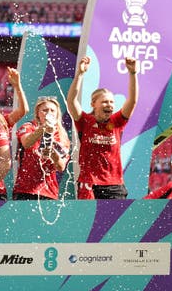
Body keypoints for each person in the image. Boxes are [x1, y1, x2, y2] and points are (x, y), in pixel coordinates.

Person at [66, 56, 138, 199]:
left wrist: (133, 73)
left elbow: (133, 100)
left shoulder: (117, 121)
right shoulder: (84, 121)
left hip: (114, 185)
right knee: (88, 221)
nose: (109, 105)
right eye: (105, 102)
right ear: (93, 104)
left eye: (112, 102)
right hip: (89, 184)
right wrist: (79, 75)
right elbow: (71, 101)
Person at [13, 96, 70, 200]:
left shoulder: (62, 136)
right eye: (45, 110)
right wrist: (44, 128)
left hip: (49, 192)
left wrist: (52, 153)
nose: (49, 113)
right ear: (38, 114)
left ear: (57, 114)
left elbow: (61, 167)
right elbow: (26, 143)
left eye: (52, 110)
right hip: (24, 190)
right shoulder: (28, 126)